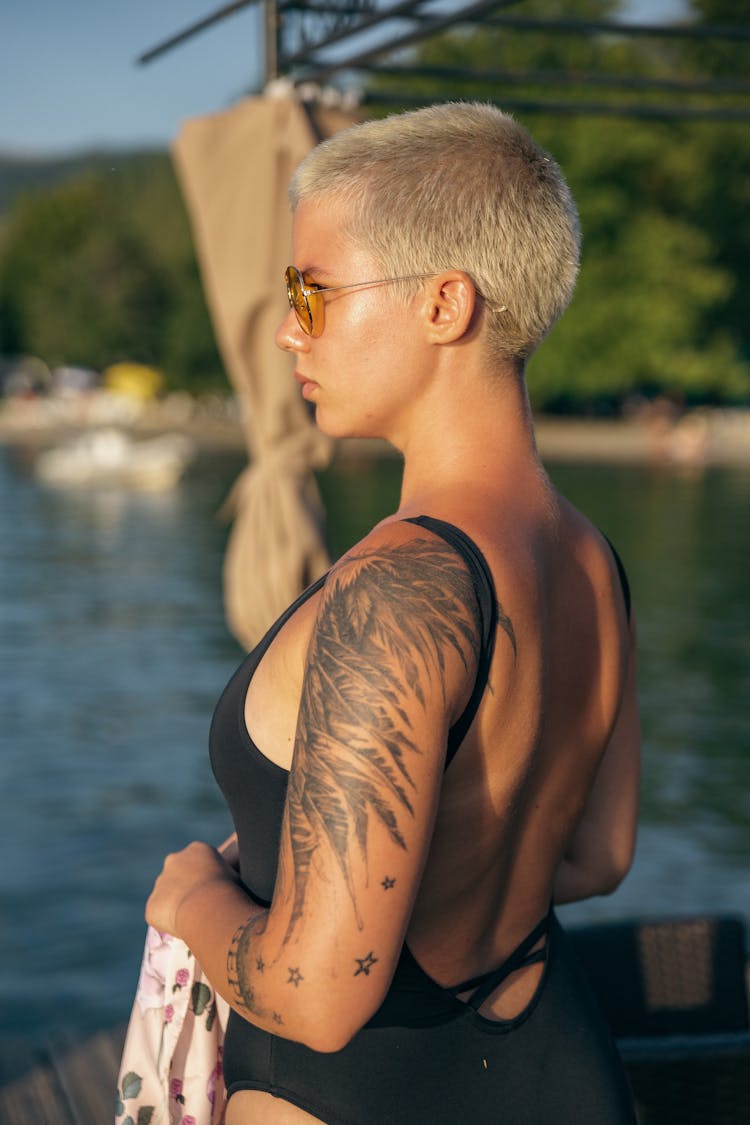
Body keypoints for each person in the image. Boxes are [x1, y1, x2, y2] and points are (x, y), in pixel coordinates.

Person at [146, 101, 640, 1124]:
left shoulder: (400, 588)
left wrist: (193, 901)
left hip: (360, 1092)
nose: (288, 328)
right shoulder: (590, 558)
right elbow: (597, 857)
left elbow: (320, 998)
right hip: (557, 1069)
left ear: (444, 303)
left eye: (311, 291)